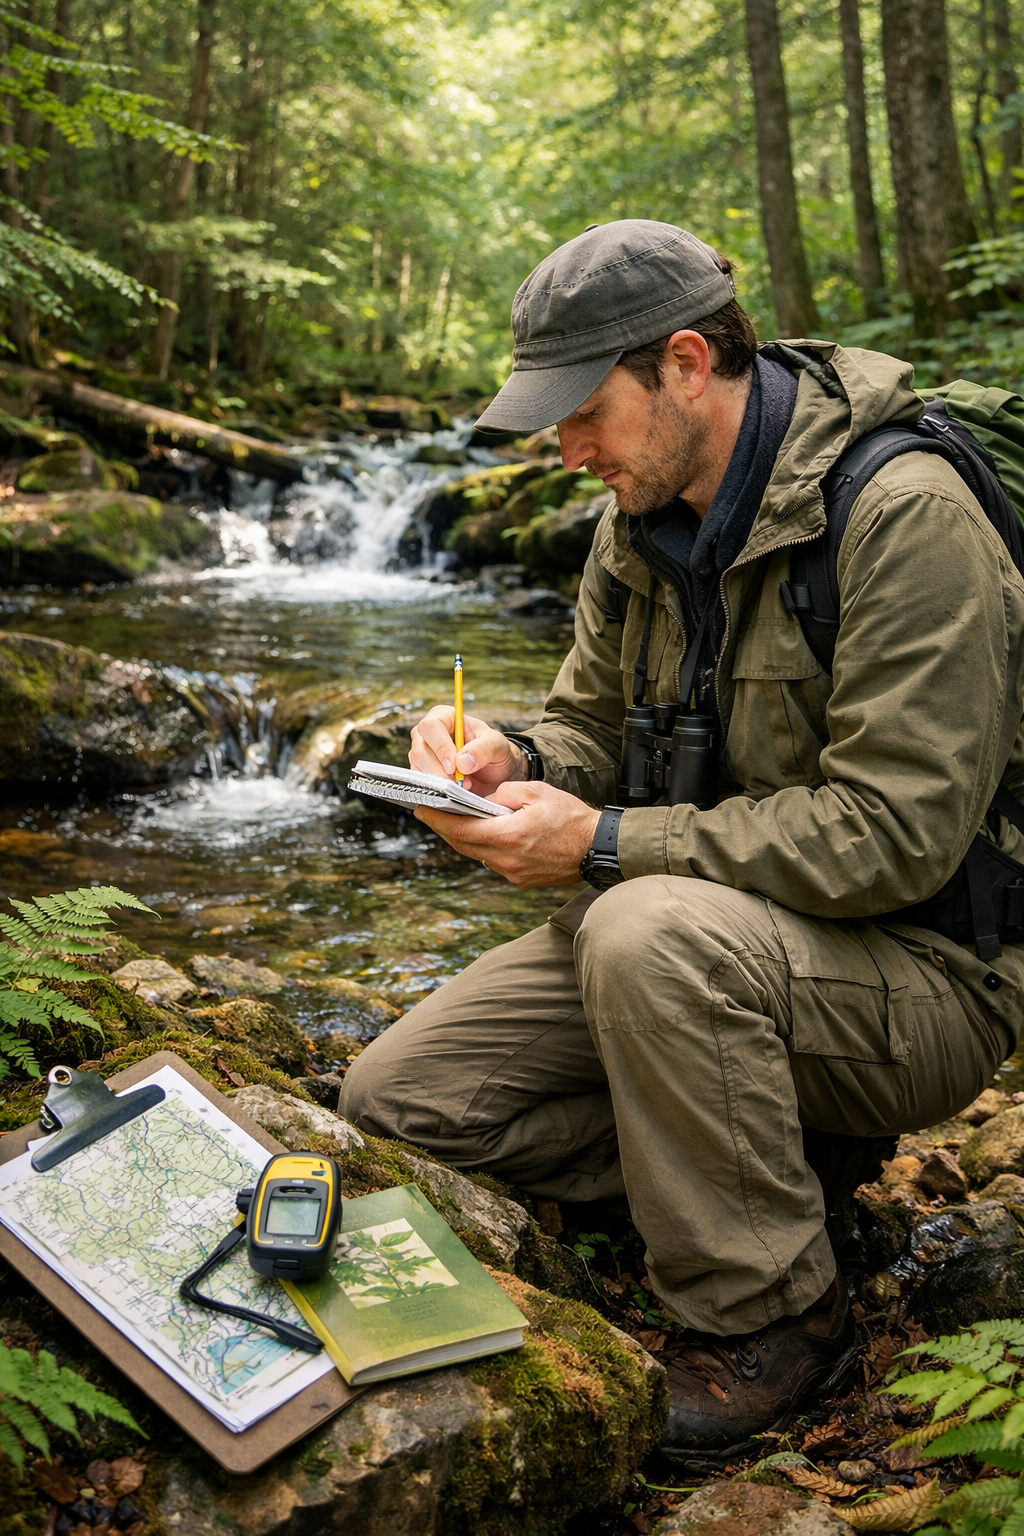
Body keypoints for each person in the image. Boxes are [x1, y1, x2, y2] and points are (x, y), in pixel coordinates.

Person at [340, 220, 1024, 1461]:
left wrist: (598, 841)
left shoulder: (905, 517)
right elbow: (588, 727)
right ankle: (774, 1184)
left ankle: (771, 1318)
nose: (566, 449)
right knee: (405, 1100)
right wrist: (515, 764)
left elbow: (897, 836)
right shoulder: (636, 524)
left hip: (921, 977)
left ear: (688, 364)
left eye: (584, 409)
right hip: (712, 952)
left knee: (640, 926)